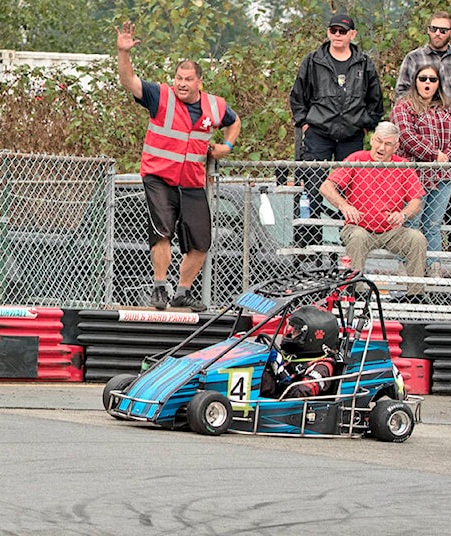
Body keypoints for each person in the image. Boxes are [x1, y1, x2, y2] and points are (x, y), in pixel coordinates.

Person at [116, 21, 241, 312]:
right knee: (162, 232)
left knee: (200, 243)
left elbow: (234, 122)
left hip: (193, 181)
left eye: (187, 79)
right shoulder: (160, 95)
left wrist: (227, 146)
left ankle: (182, 292)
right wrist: (123, 53)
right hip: (159, 176)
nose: (181, 83)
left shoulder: (215, 106)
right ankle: (160, 288)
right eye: (178, 78)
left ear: (200, 81)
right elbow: (128, 81)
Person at [289, 13, 384, 248]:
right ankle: (308, 248)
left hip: (351, 137)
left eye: (343, 31)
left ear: (352, 34)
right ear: (328, 33)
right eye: (333, 30)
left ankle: (350, 246)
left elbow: (376, 102)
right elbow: (297, 97)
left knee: (353, 191)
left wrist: (363, 125)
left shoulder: (364, 63)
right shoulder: (312, 61)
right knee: (310, 188)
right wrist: (307, 122)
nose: (338, 35)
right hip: (318, 135)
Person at [395, 12, 451, 254]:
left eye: (443, 30)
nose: (438, 33)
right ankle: (412, 260)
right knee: (414, 212)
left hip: (450, 137)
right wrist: (419, 109)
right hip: (419, 147)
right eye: (434, 28)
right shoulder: (414, 58)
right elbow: (401, 92)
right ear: (428, 29)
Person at [319, 122, 428, 303]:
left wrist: (403, 215)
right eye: (378, 141)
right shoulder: (357, 159)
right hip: (359, 226)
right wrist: (345, 206)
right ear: (371, 139)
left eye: (387, 144)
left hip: (391, 229)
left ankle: (415, 294)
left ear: (396, 147)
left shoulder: (403, 165)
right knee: (358, 238)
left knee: (417, 238)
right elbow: (326, 186)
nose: (381, 148)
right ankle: (358, 291)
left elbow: (416, 201)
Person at [391, 64, 451, 274]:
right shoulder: (403, 107)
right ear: (415, 81)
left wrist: (448, 156)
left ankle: (433, 271)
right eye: (423, 78)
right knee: (411, 224)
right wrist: (435, 155)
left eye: (433, 80)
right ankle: (407, 271)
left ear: (439, 83)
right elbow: (405, 136)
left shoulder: (449, 110)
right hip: (413, 178)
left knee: (433, 225)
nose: (427, 83)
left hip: (442, 177)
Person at [263, 306, 340, 399]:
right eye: (293, 329)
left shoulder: (322, 368)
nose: (291, 334)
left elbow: (299, 396)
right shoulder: (294, 356)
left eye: (297, 331)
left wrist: (281, 373)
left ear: (313, 338)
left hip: (296, 409)